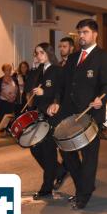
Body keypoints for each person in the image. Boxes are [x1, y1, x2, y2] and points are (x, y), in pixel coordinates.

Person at [47, 19, 107, 210]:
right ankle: (83, 186)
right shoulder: (73, 58)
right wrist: (56, 102)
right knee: (67, 153)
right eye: (79, 33)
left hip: (91, 114)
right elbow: (62, 85)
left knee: (89, 156)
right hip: (69, 114)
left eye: (84, 32)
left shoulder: (104, 57)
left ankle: (83, 195)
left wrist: (103, 98)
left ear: (95, 34)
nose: (81, 36)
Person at [25, 43, 67, 199]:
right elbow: (28, 88)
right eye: (36, 53)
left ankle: (46, 188)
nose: (38, 56)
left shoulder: (57, 70)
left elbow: (60, 91)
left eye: (41, 53)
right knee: (35, 148)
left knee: (48, 151)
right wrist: (34, 69)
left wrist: (45, 92)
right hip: (38, 115)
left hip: (51, 115)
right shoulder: (38, 71)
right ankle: (58, 170)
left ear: (49, 53)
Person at [0, 64, 19, 128]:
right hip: (3, 102)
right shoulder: (0, 79)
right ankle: (2, 132)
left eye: (9, 70)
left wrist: (14, 97)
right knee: (3, 118)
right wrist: (7, 97)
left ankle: (9, 131)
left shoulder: (14, 79)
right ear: (3, 71)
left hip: (12, 102)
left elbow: (17, 89)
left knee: (10, 118)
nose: (8, 71)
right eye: (6, 70)